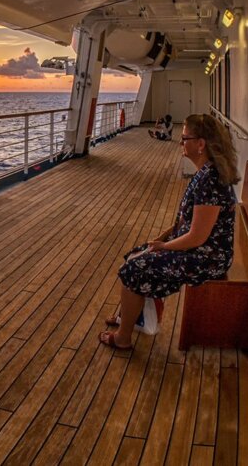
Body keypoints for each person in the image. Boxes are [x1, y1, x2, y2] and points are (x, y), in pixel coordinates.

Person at [101, 113, 239, 349]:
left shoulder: (210, 181)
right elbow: (186, 221)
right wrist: (162, 238)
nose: (180, 142)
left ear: (200, 144)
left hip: (208, 259)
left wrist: (163, 247)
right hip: (200, 248)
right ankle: (128, 316)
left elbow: (197, 237)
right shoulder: (205, 173)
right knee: (136, 254)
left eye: (185, 137)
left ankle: (123, 338)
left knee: (134, 268)